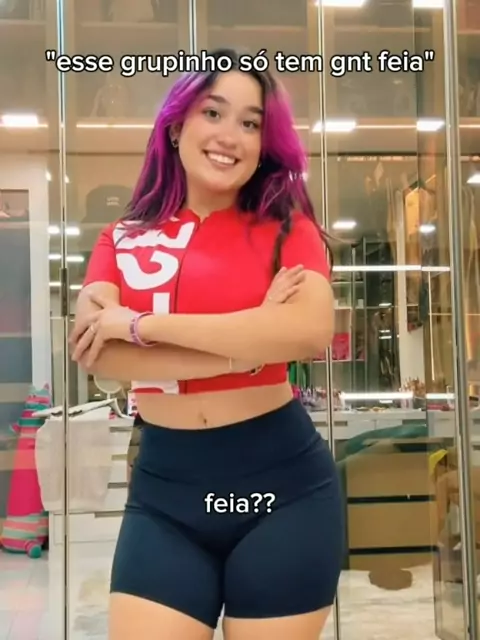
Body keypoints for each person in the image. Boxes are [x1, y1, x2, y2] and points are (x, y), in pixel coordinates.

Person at [69, 48, 344, 640]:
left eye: (250, 123)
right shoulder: (123, 237)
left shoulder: (288, 227)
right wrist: (250, 340)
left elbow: (307, 332)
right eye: (213, 113)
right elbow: (100, 354)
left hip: (281, 491)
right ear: (176, 127)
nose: (229, 136)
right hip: (166, 496)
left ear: (264, 144)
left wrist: (142, 324)